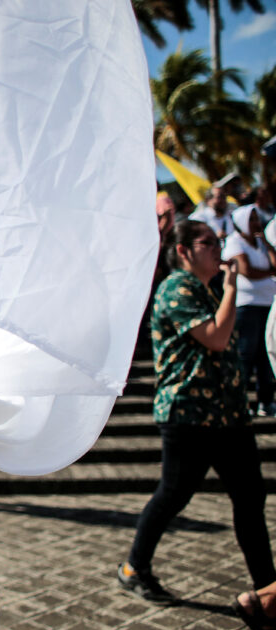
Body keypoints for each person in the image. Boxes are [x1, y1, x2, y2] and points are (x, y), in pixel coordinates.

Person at [118, 219, 275, 609]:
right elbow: (217, 338)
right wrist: (234, 287)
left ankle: (268, 586)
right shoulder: (176, 288)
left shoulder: (206, 289)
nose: (218, 249)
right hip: (188, 414)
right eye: (209, 242)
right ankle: (134, 567)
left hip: (227, 414)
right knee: (173, 495)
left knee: (250, 497)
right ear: (184, 250)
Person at [221, 205, 276, 416]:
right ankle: (239, 402)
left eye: (257, 219)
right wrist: (270, 272)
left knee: (265, 355)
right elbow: (247, 271)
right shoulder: (234, 241)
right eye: (251, 219)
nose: (255, 223)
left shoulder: (261, 243)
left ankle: (266, 400)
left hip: (266, 302)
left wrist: (266, 242)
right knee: (246, 353)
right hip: (247, 305)